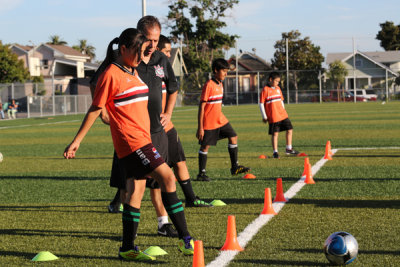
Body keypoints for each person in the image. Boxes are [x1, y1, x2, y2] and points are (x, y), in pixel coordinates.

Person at [64, 28, 194, 261]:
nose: (141, 55)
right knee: (168, 177)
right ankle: (186, 239)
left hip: (143, 138)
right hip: (131, 141)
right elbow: (95, 108)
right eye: (138, 50)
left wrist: (150, 48)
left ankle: (127, 248)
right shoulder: (111, 74)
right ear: (123, 49)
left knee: (136, 191)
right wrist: (77, 141)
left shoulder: (131, 69)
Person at [157, 35, 212, 207]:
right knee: (145, 173)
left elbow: (173, 90)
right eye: (166, 51)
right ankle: (118, 201)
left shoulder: (164, 69)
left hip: (168, 127)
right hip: (153, 130)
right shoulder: (145, 69)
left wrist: (168, 113)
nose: (168, 55)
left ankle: (191, 198)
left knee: (179, 161)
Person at [196, 58, 250, 181]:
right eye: (224, 71)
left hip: (220, 119)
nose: (226, 74)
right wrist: (200, 127)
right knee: (205, 147)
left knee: (233, 136)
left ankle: (234, 167)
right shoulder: (209, 85)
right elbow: (202, 106)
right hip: (209, 122)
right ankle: (201, 174)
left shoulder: (220, 84)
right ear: (216, 70)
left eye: (227, 71)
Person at [259, 72, 299, 158]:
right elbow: (261, 103)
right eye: (276, 81)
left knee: (289, 129)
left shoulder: (278, 89)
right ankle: (275, 152)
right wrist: (264, 116)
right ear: (271, 80)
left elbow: (281, 101)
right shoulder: (265, 89)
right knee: (275, 134)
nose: (278, 83)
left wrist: (284, 110)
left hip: (283, 114)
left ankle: (288, 148)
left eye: (278, 81)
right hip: (273, 116)